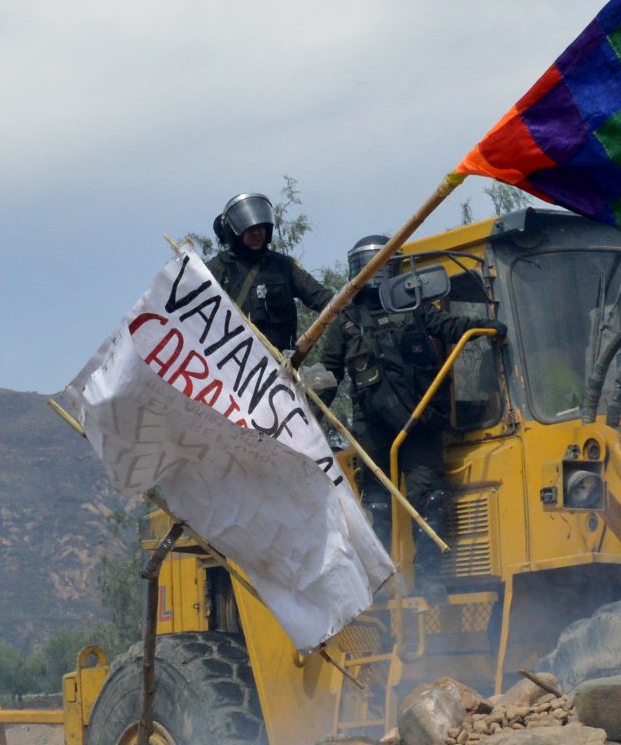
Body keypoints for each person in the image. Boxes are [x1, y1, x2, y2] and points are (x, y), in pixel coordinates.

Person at [316, 234, 503, 578]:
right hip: (373, 432)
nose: (383, 273)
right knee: (377, 508)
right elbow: (329, 376)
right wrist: (309, 421)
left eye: (390, 265)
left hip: (419, 424)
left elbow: (447, 326)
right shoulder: (344, 321)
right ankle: (382, 584)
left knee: (430, 500)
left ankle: (431, 580)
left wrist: (482, 326)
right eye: (377, 266)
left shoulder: (413, 307)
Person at [206, 191, 333, 352]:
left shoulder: (283, 266)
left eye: (261, 228)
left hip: (279, 362)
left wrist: (345, 309)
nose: (257, 233)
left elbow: (321, 297)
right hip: (233, 363)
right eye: (250, 229)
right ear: (235, 232)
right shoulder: (219, 267)